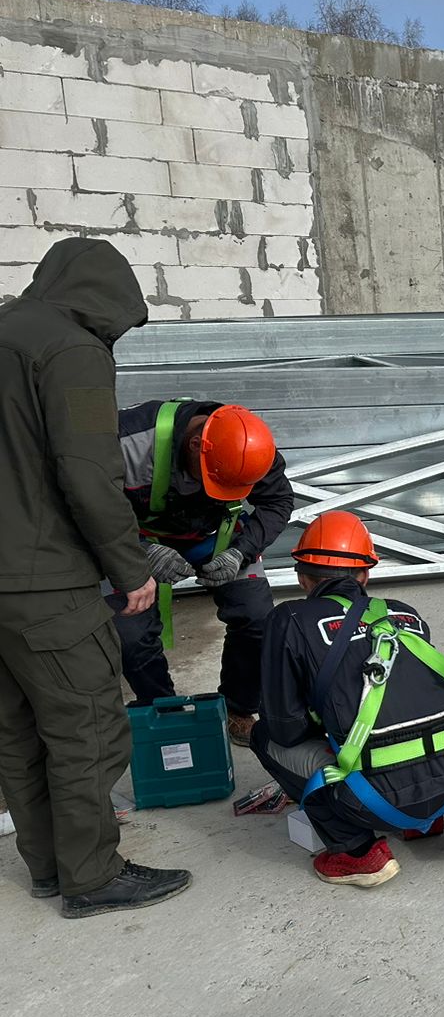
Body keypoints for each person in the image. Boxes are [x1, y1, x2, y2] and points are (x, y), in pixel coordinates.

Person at [0, 237, 191, 918]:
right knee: (87, 728)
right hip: (45, 580)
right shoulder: (71, 350)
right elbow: (87, 473)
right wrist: (129, 567)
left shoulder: (6, 329)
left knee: (18, 730)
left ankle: (50, 868)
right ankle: (92, 877)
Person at [252, 511, 444, 889]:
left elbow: (286, 728)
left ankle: (357, 853)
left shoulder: (290, 619)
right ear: (365, 575)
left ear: (302, 577)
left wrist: (321, 720)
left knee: (263, 736)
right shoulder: (405, 613)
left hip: (373, 802)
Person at [115, 398, 291, 745]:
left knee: (257, 618)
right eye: (217, 480)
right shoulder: (126, 442)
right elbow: (85, 509)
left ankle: (238, 709)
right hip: (133, 539)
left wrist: (240, 553)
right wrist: (140, 552)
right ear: (196, 444)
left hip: (216, 536)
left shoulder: (253, 449)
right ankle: (163, 711)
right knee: (130, 635)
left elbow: (278, 502)